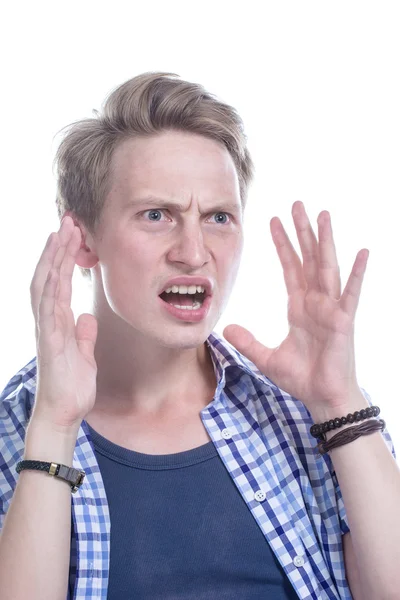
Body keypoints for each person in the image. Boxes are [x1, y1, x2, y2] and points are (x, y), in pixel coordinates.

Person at [0, 72, 398, 600]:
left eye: (218, 217)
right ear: (83, 241)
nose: (193, 251)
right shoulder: (18, 426)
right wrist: (53, 426)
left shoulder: (303, 408)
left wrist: (338, 402)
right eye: (156, 214)